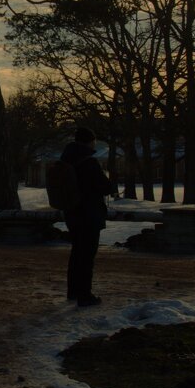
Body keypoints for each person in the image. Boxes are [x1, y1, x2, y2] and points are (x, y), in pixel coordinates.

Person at [61, 126, 113, 305]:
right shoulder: (89, 162)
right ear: (90, 141)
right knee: (87, 256)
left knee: (76, 253)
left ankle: (73, 291)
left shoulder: (66, 158)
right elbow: (105, 187)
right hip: (89, 214)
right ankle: (85, 295)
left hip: (72, 212)